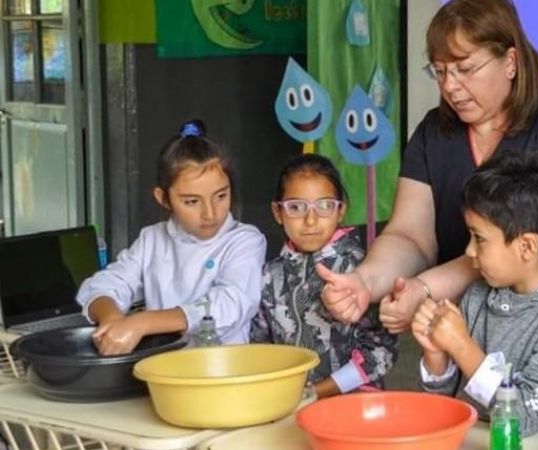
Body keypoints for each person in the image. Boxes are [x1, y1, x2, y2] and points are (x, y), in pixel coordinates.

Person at [317, 0, 538, 370]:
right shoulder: (435, 133)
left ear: (511, 62)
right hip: (476, 326)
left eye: (465, 69)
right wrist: (365, 281)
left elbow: (529, 255)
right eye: (439, 71)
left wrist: (425, 288)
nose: (450, 86)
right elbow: (409, 236)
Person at [411, 149, 538, 436]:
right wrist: (437, 354)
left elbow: (521, 419)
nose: (468, 251)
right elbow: (448, 404)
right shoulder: (478, 295)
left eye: (479, 238)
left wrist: (462, 346)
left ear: (527, 246)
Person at [76, 120, 267, 355]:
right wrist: (112, 318)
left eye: (220, 195)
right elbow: (105, 284)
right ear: (163, 198)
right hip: (161, 372)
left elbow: (229, 304)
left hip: (222, 375)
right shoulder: (152, 240)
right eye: (192, 201)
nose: (210, 213)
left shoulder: (244, 241)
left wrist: (142, 322)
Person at [250, 154, 397, 399]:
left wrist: (314, 393)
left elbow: (382, 351)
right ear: (278, 212)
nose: (310, 220)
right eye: (296, 207)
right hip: (287, 402)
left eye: (325, 205)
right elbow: (260, 347)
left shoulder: (362, 272)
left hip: (356, 402)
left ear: (341, 211)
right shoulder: (269, 275)